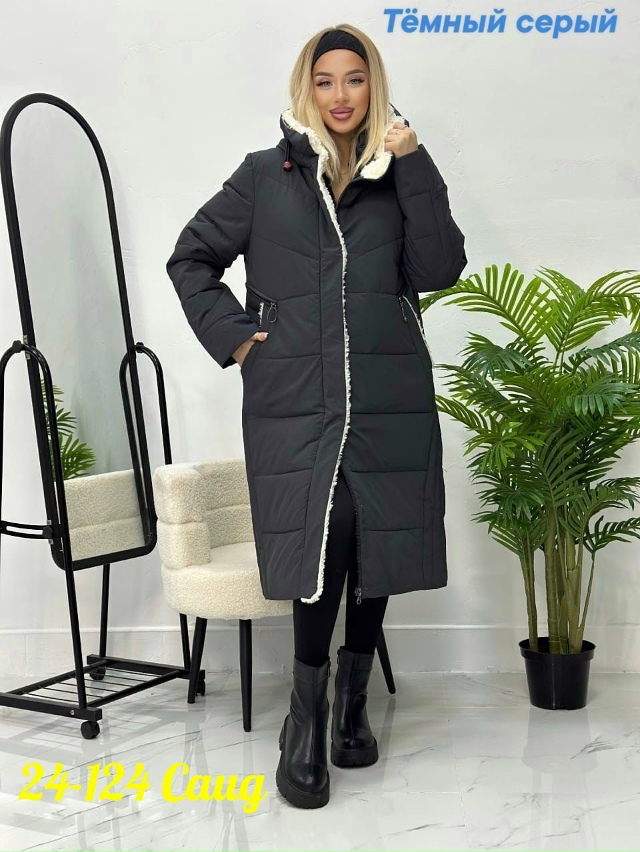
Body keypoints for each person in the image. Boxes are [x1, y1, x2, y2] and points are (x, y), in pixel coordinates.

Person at [166, 23, 467, 810]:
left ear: (375, 87)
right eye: (326, 80)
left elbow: (440, 267)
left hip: (388, 388)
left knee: (377, 535)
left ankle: (352, 702)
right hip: (295, 393)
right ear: (307, 87)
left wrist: (415, 161)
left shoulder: (395, 174)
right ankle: (305, 716)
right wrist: (238, 340)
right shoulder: (264, 176)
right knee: (324, 535)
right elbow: (190, 257)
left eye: (355, 79)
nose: (341, 95)